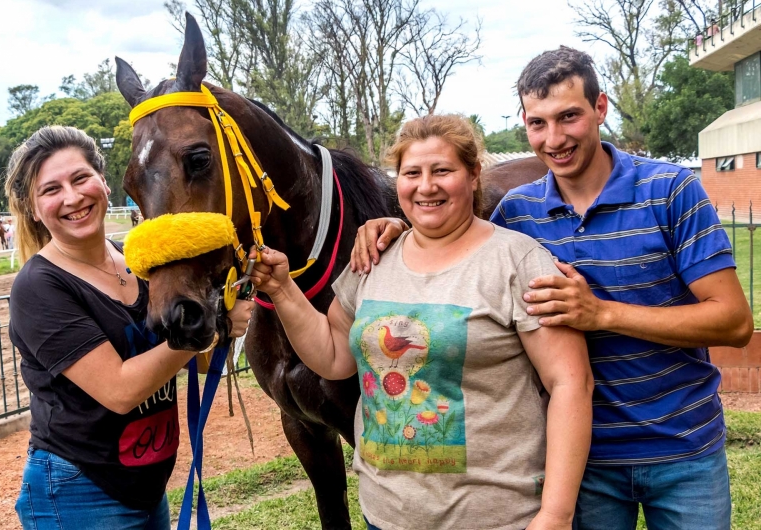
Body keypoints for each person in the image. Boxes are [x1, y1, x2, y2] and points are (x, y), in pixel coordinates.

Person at [350, 47, 754, 530]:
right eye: (537, 123)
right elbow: (455, 242)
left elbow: (733, 321)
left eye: (569, 117)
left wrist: (603, 313)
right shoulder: (517, 214)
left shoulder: (670, 191)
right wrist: (394, 225)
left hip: (681, 444)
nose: (554, 139)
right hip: (581, 460)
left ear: (600, 108)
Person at [249, 115, 594, 530]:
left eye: (442, 170)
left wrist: (556, 514)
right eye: (412, 172)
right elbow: (335, 356)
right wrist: (283, 290)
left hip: (497, 519)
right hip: (386, 515)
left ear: (472, 175)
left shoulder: (517, 260)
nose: (426, 186)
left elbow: (571, 384)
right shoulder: (371, 259)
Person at [4, 125, 253, 530]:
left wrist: (221, 308)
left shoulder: (137, 261)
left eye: (81, 178)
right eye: (51, 189)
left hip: (147, 486)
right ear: (33, 209)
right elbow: (120, 391)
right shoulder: (38, 287)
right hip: (78, 491)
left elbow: (192, 361)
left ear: (103, 182)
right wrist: (212, 326)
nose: (72, 197)